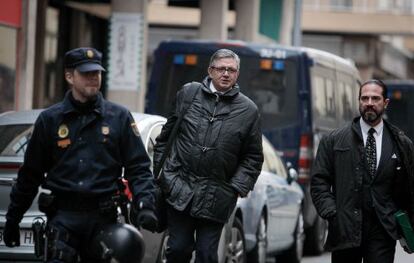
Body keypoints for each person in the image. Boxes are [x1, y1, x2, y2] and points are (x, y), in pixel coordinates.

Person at [3, 47, 158, 262]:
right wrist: (13, 219)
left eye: (97, 73)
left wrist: (145, 204)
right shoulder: (50, 120)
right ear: (69, 76)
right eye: (86, 74)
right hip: (63, 218)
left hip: (104, 220)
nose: (93, 78)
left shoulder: (118, 117)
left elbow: (139, 168)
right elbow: (30, 174)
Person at [153, 49, 264, 263]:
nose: (226, 74)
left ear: (237, 74)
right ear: (210, 71)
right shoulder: (188, 94)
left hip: (217, 196)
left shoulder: (249, 110)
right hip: (178, 188)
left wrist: (234, 188)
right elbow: (165, 138)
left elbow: (253, 157)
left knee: (207, 255)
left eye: (231, 70)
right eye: (221, 68)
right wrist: (165, 174)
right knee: (177, 249)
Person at [311, 79, 414, 263]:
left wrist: (403, 222)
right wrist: (332, 213)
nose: (369, 103)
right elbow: (319, 182)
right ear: (358, 101)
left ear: (385, 103)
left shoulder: (401, 143)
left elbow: (410, 186)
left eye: (375, 98)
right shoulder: (334, 141)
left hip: (383, 230)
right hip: (345, 230)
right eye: (364, 98)